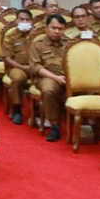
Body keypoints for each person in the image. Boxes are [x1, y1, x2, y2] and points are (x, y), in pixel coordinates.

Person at [28, 14, 70, 142]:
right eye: (54, 28)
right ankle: (54, 126)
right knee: (48, 90)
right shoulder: (38, 44)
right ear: (46, 28)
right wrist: (56, 78)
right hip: (46, 76)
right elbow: (36, 67)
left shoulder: (69, 43)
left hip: (68, 76)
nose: (57, 31)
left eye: (60, 29)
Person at [1, 9, 33, 124]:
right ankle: (17, 109)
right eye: (21, 19)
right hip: (17, 67)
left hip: (36, 67)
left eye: (27, 20)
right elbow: (7, 59)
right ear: (16, 21)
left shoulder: (36, 35)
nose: (24, 22)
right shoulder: (10, 35)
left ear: (32, 21)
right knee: (18, 79)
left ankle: (39, 111)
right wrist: (23, 68)